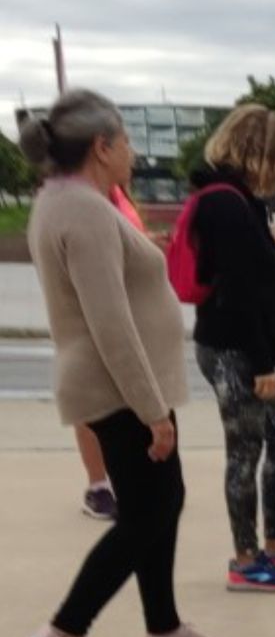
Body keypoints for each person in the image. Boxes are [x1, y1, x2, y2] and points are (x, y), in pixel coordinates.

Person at [21, 90, 227, 637]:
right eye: (128, 142)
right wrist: (151, 410)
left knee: (161, 502)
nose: (134, 153)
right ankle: (66, 631)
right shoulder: (82, 210)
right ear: (102, 147)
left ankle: (164, 629)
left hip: (122, 386)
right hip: (117, 389)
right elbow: (109, 323)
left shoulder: (69, 201)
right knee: (147, 512)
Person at [189, 104, 275, 593]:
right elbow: (240, 291)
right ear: (257, 153)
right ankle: (245, 561)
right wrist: (262, 364)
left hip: (244, 346)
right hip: (233, 349)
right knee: (244, 452)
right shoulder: (224, 204)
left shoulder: (241, 201)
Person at [75, 185, 146, 522]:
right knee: (92, 402)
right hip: (92, 313)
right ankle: (98, 486)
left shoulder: (118, 194)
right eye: (124, 145)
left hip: (128, 309)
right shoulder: (84, 197)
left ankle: (122, 479)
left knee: (124, 400)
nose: (131, 155)